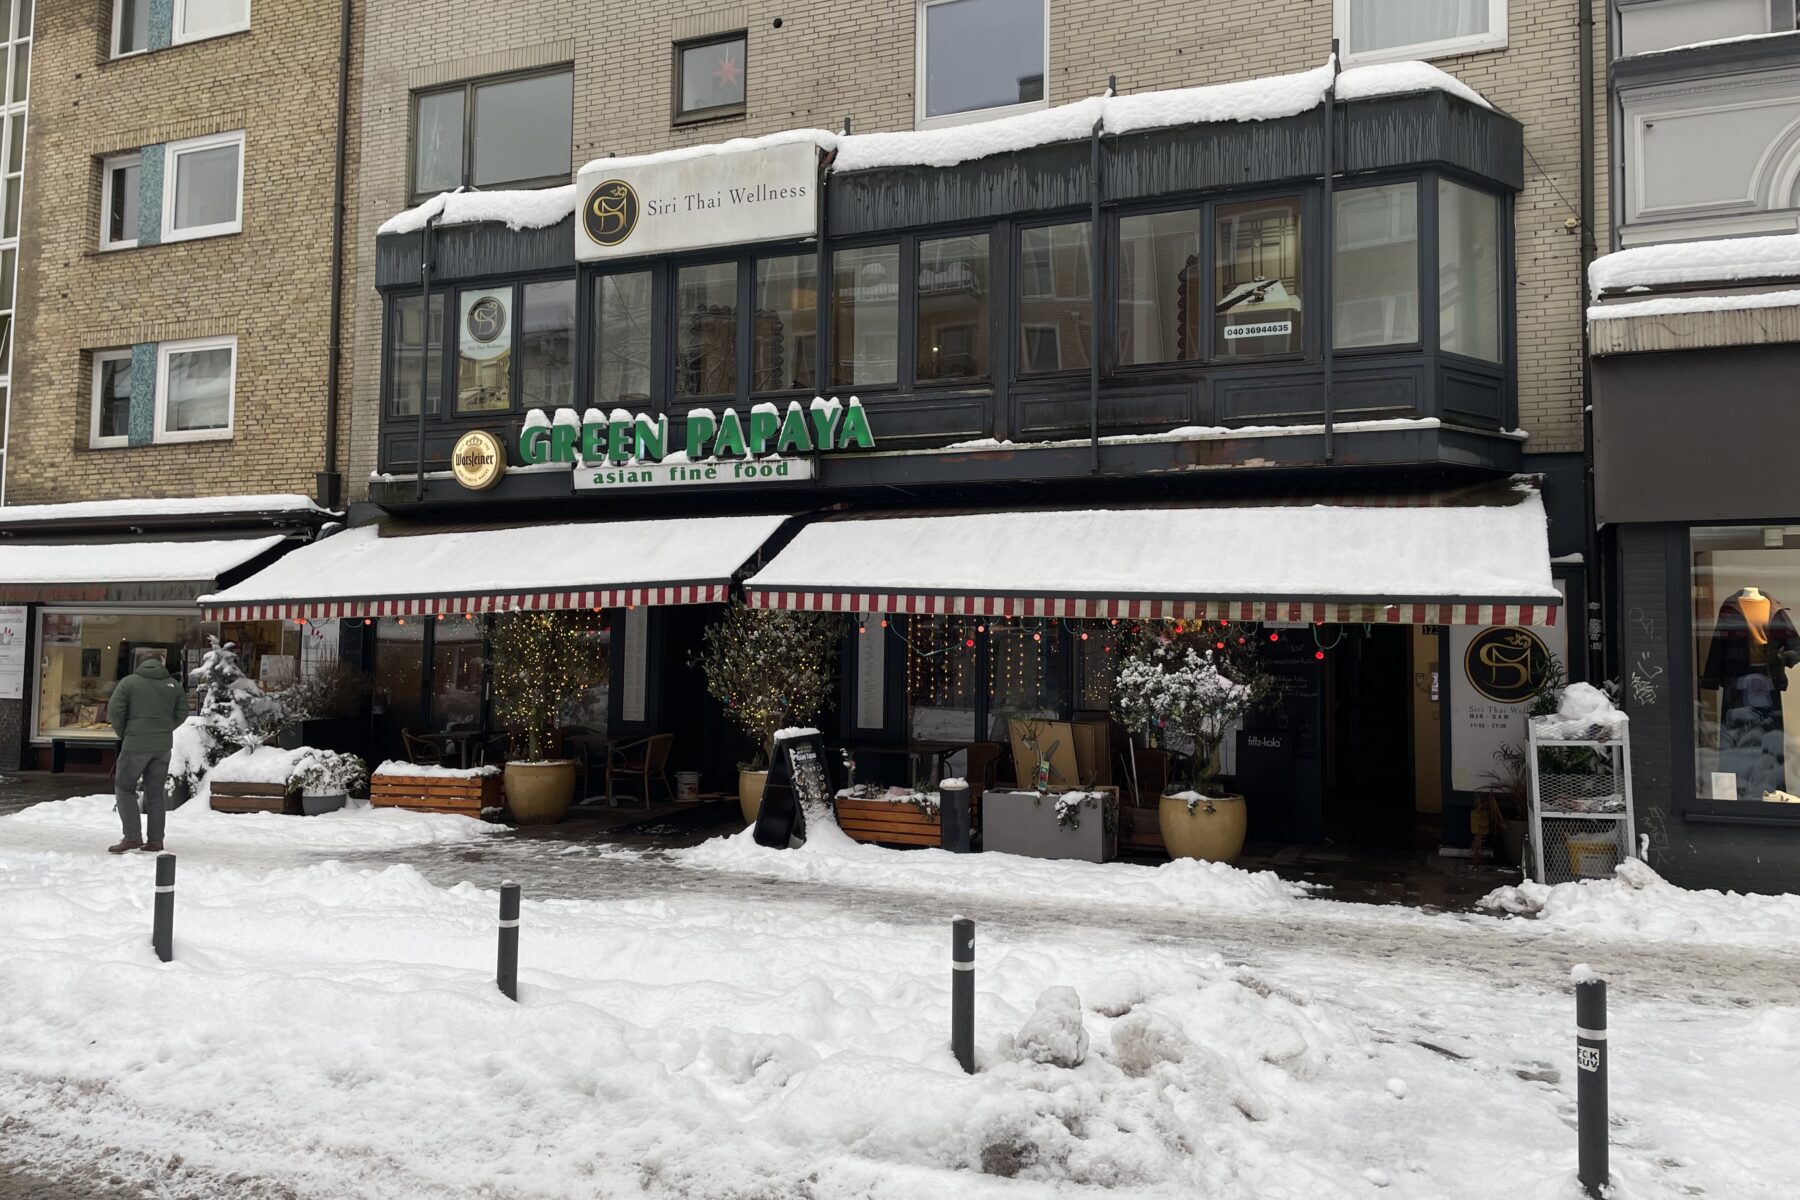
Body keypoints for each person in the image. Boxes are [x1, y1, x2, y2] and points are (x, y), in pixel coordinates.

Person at [107, 650, 188, 853]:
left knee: (125, 788)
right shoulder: (174, 685)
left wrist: (125, 732)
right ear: (161, 663)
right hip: (162, 747)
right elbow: (182, 712)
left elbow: (115, 710)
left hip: (135, 745)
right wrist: (165, 729)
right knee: (155, 793)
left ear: (140, 664)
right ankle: (156, 841)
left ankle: (132, 837)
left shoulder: (128, 682)